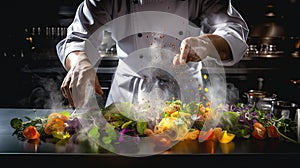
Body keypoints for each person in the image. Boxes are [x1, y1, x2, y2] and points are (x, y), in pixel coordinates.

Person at [56, 0, 249, 109]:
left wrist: (207, 43)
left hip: (186, 92)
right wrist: (79, 62)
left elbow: (233, 29)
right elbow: (77, 37)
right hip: (128, 96)